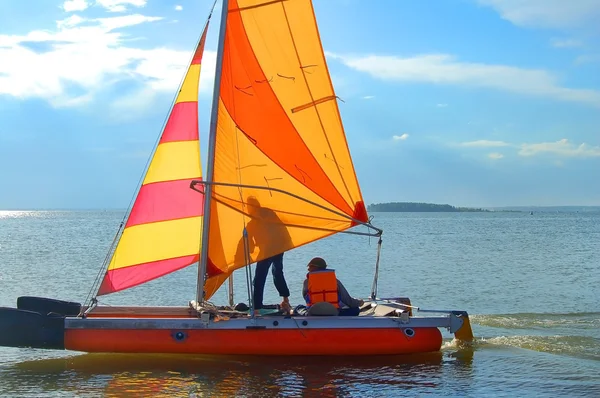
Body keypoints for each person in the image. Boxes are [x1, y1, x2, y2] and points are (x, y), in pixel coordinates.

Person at [234, 196, 293, 315]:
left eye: (248, 206)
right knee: (277, 272)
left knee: (260, 277)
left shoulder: (259, 217)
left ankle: (256, 307)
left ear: (253, 207)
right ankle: (285, 300)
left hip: (272, 247)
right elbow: (248, 237)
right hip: (279, 246)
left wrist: (239, 256)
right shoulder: (264, 215)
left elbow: (248, 236)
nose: (247, 209)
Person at [296, 257, 364, 316]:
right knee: (355, 309)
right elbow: (347, 301)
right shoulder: (335, 281)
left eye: (310, 267)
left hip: (313, 312)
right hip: (333, 312)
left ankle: (293, 311)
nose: (308, 269)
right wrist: (359, 302)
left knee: (299, 307)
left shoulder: (307, 282)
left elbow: (306, 298)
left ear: (315, 267)